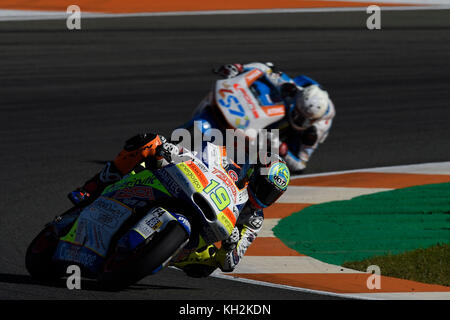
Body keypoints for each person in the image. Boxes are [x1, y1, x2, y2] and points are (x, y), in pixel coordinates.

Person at [68, 132, 290, 277]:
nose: (264, 196)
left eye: (272, 194)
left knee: (208, 263)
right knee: (149, 142)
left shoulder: (254, 220)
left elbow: (230, 264)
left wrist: (231, 245)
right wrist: (174, 151)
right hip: (189, 190)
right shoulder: (230, 165)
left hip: (202, 236)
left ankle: (162, 253)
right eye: (264, 187)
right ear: (254, 174)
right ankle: (91, 189)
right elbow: (202, 155)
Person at [214, 62, 336, 174]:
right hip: (301, 96)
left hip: (295, 137)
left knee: (270, 161)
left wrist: (282, 149)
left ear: (313, 121)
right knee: (272, 91)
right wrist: (239, 68)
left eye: (302, 119)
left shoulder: (315, 131)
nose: (297, 119)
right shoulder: (294, 89)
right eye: (296, 113)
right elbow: (265, 68)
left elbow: (300, 165)